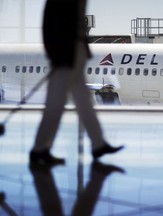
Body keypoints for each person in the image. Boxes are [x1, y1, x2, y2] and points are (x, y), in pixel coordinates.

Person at [29, 0, 123, 165]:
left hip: (75, 57)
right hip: (65, 59)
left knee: (84, 102)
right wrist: (56, 54)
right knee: (56, 105)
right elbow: (50, 27)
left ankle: (98, 144)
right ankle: (39, 150)